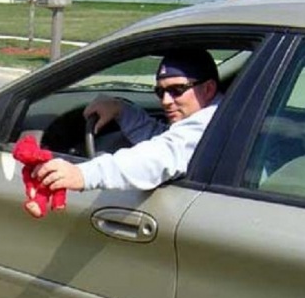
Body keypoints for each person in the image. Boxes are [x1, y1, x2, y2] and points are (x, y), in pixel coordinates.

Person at [34, 49, 223, 192]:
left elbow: (160, 156)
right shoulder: (226, 112)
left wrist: (84, 174)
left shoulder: (211, 124)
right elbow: (166, 138)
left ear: (208, 89)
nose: (166, 101)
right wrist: (121, 110)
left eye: (177, 90)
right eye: (160, 91)